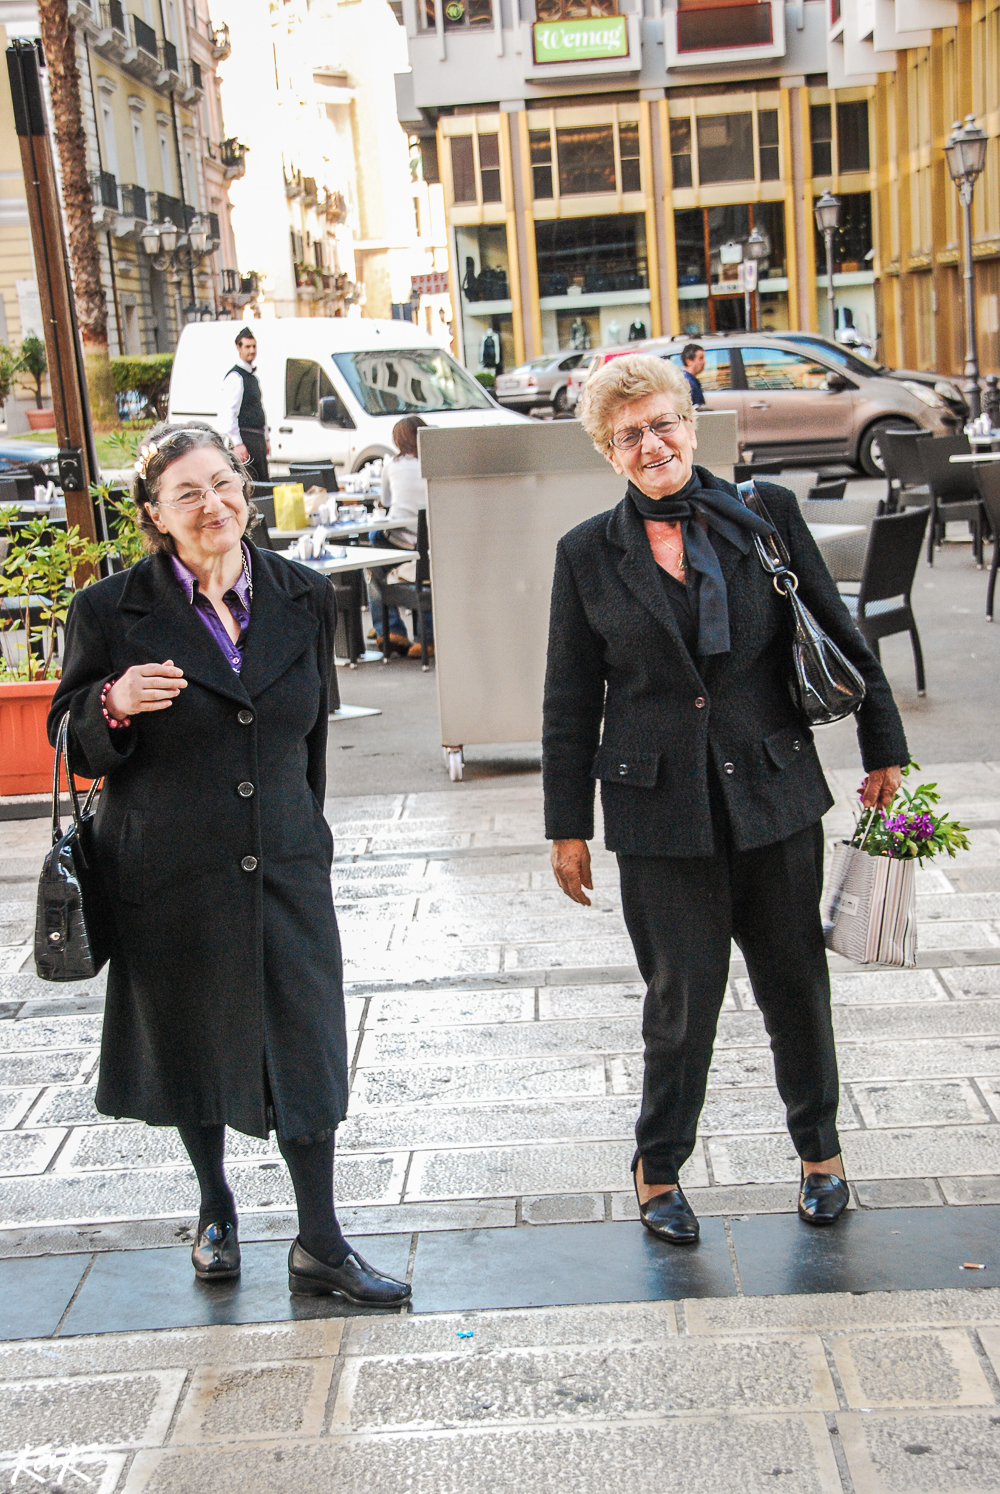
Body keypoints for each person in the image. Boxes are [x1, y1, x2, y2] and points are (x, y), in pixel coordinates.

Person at [542, 355, 908, 1243]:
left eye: (663, 423)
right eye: (630, 434)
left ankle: (821, 1155)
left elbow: (836, 623)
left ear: (691, 425)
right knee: (681, 1000)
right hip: (660, 814)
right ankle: (658, 1165)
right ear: (608, 450)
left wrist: (883, 744)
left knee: (795, 987)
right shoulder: (588, 553)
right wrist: (566, 826)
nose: (652, 442)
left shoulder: (764, 516)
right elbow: (568, 698)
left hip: (776, 792)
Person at [48, 420, 409, 1307]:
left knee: (307, 1044)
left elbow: (311, 740)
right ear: (155, 516)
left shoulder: (302, 594)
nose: (212, 505)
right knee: (192, 1038)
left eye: (223, 484)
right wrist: (112, 701)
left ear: (245, 488)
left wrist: (306, 839)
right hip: (166, 869)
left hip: (284, 862)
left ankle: (321, 1241)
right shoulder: (110, 611)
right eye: (187, 494)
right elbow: (69, 740)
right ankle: (215, 1206)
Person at [368, 415, 434, 661]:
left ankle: (391, 629)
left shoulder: (393, 465)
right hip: (430, 542)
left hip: (399, 541)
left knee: (373, 560)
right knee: (421, 572)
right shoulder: (435, 462)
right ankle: (423, 637)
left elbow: (385, 501)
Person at [221, 327, 269, 482]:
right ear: (238, 348)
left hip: (257, 438)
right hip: (246, 438)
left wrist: (266, 439)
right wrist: (238, 443)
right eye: (247, 347)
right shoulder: (235, 377)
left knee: (263, 481)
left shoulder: (253, 377)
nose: (252, 350)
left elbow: (259, 409)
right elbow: (230, 413)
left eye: (254, 346)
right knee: (253, 485)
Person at [681, 342, 706, 408]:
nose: (704, 361)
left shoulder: (691, 380)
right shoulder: (688, 383)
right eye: (701, 358)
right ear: (689, 361)